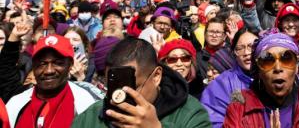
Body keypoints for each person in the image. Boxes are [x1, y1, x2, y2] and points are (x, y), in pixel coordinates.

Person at [72, 37, 211, 127]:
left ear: (156, 76)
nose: (121, 99)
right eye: (114, 89)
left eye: (133, 88)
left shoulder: (190, 114)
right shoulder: (92, 115)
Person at [223, 31, 299, 127]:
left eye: (287, 58)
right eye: (267, 60)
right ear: (258, 71)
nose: (278, 68)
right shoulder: (240, 107)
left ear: (297, 67)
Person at [5, 29, 97, 127]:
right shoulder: (16, 104)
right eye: (42, 63)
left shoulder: (86, 103)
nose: (49, 71)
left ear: (70, 65)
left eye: (57, 63)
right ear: (34, 66)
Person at [201, 28, 258, 127]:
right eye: (240, 48)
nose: (246, 53)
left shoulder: (275, 77)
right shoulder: (221, 84)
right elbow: (210, 120)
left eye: (251, 47)